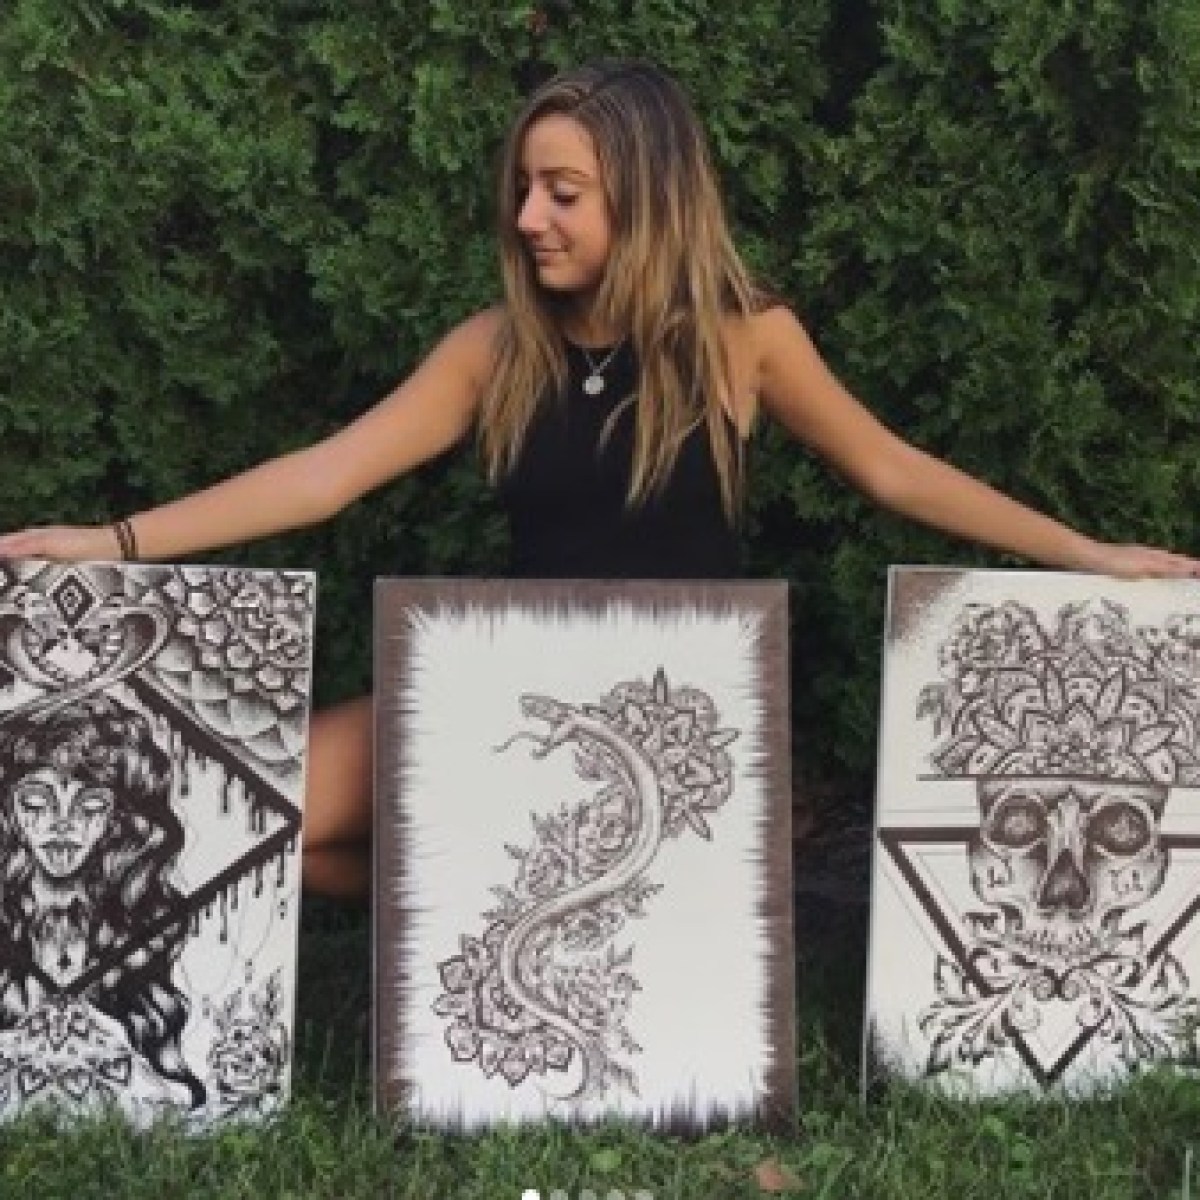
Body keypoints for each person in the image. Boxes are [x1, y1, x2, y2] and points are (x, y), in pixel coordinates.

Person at [0, 61, 1196, 902]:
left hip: (676, 733)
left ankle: (567, 892)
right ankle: (481, 891)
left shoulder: (747, 340)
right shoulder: (493, 351)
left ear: (649, 196)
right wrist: (113, 540)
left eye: (562, 192)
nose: (527, 216)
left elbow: (892, 469)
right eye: (524, 187)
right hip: (507, 706)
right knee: (228, 824)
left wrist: (1090, 555)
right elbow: (325, 476)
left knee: (304, 840)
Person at [0, 694, 205, 1108]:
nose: (62, 823)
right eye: (37, 803)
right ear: (9, 812)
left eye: (90, 806)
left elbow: (178, 1094)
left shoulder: (134, 917)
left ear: (118, 821)